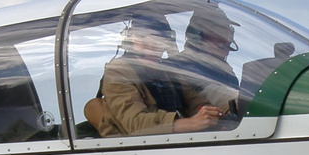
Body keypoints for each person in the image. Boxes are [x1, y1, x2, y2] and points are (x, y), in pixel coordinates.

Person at [92, 13, 223, 137]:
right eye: (142, 38)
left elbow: (197, 102)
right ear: (131, 40)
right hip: (136, 152)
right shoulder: (119, 71)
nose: (149, 45)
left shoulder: (167, 71)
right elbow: (136, 124)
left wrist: (215, 118)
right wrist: (191, 123)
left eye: (158, 39)